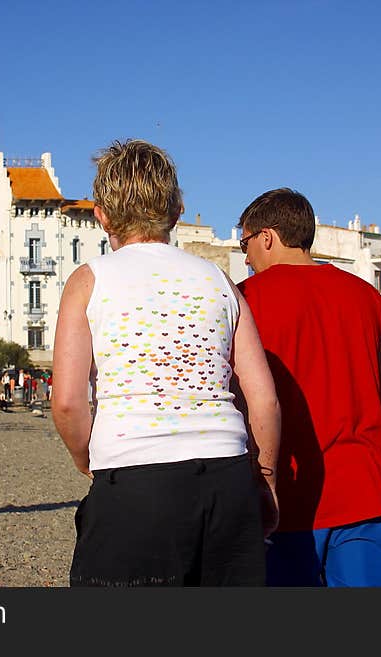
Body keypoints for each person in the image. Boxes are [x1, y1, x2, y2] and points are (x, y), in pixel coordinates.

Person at [52, 139, 280, 586]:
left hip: (135, 476)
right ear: (177, 210)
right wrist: (266, 478)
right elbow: (263, 400)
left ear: (101, 214)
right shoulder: (221, 282)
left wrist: (87, 457)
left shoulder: (89, 281)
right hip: (225, 474)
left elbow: (67, 402)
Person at [236, 188, 381, 587]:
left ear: (267, 237)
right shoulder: (369, 298)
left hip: (289, 496)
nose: (245, 257)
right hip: (366, 491)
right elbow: (379, 399)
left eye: (245, 243)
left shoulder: (244, 300)